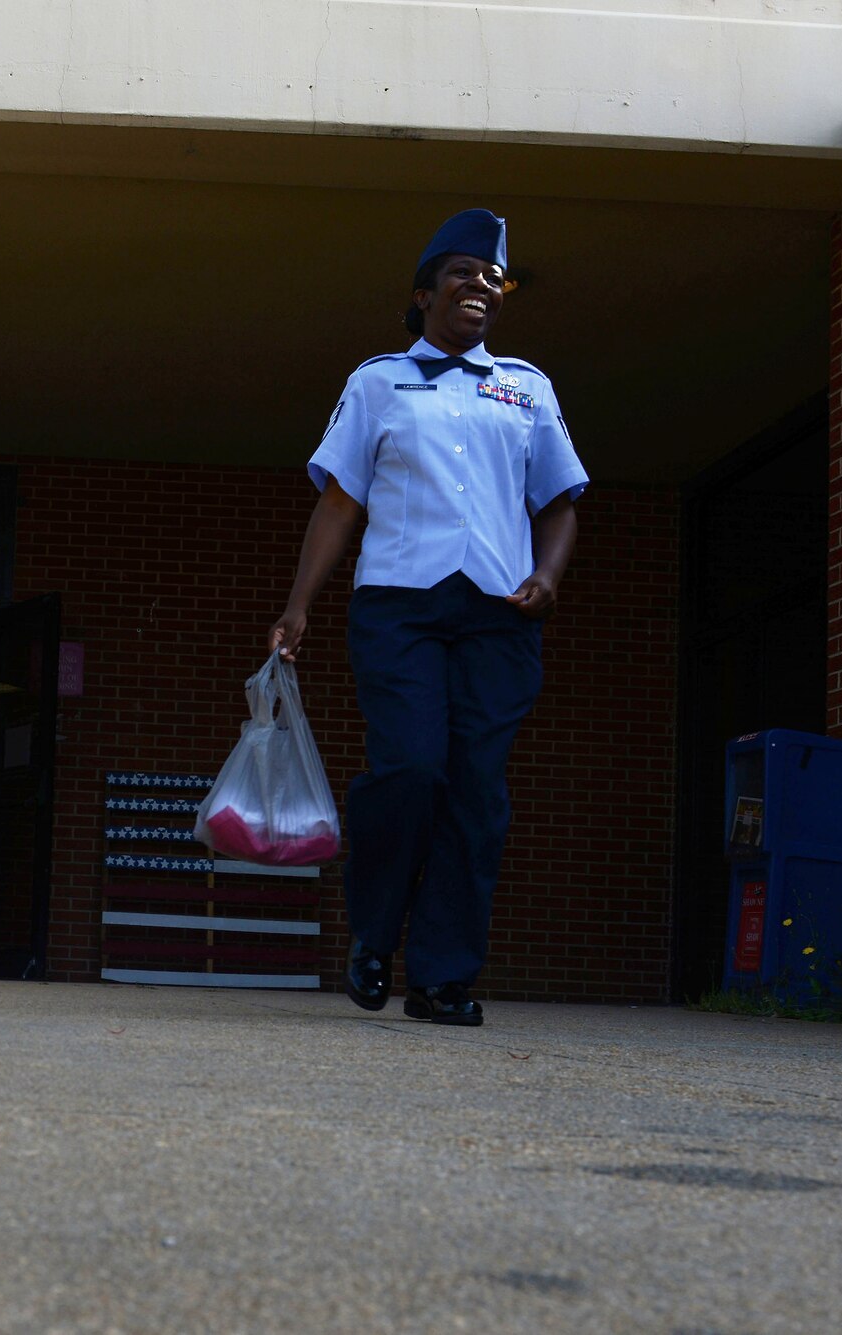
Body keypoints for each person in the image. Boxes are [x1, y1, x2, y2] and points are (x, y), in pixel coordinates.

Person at [268, 209, 587, 1026]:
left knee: (476, 793)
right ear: (422, 293)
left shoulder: (528, 387)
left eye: (493, 278)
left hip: (499, 614)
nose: (480, 286)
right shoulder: (377, 381)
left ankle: (444, 975)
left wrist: (549, 576)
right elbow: (341, 500)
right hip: (399, 608)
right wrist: (299, 605)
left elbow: (557, 502)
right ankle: (374, 934)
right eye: (462, 273)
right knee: (411, 770)